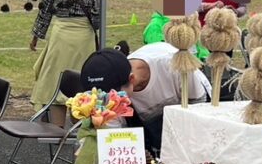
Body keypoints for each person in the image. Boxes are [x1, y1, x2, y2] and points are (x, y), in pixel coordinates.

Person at [79, 44, 209, 152]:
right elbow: (114, 136)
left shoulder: (173, 66)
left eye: (113, 97)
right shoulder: (112, 94)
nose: (109, 102)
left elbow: (199, 107)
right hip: (150, 126)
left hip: (190, 115)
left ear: (132, 79)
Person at [29, 0, 100, 114]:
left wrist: (35, 37)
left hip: (59, 37)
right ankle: (78, 135)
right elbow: (97, 18)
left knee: (55, 84)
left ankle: (56, 135)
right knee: (81, 88)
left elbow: (44, 11)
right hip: (84, 40)